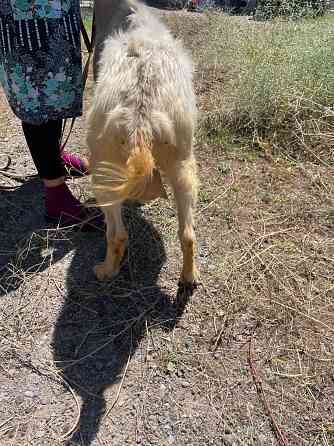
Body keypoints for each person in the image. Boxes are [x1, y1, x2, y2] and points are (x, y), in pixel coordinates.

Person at [0, 0, 101, 228]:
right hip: (22, 12)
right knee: (35, 96)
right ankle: (56, 196)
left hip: (57, 12)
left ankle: (54, 157)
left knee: (58, 87)